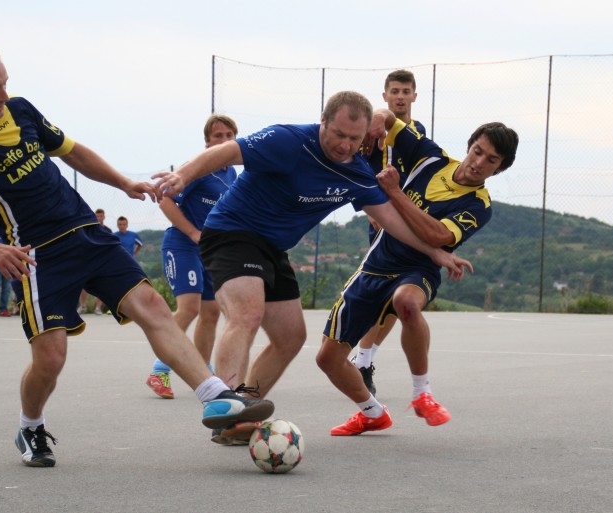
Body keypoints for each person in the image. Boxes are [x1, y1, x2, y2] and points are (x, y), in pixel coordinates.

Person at [0, 42, 273, 468]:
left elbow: (72, 151)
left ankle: (216, 398)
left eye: (5, 84)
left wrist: (124, 183)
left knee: (151, 306)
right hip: (38, 254)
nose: (3, 95)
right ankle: (30, 425)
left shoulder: (20, 109)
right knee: (51, 358)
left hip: (87, 232)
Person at [151, 91, 471, 445]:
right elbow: (228, 152)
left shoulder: (357, 172)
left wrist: (436, 253)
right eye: (339, 134)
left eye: (355, 139)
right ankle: (225, 408)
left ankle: (244, 412)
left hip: (272, 248)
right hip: (232, 231)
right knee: (247, 314)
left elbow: (390, 219)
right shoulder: (288, 140)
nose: (346, 145)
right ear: (323, 122)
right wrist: (182, 174)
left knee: (291, 338)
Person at [316, 109, 519, 436]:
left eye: (491, 160)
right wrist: (379, 119)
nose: (479, 162)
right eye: (478, 151)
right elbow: (387, 118)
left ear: (499, 169)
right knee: (327, 359)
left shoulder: (479, 206)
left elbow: (437, 236)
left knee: (407, 303)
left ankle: (422, 393)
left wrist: (395, 192)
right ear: (469, 146)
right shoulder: (431, 158)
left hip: (418, 268)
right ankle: (372, 413)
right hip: (376, 265)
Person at [146, 114, 239, 403]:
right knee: (189, 308)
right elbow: (165, 199)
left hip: (211, 251)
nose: (223, 141)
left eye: (228, 135)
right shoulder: (197, 169)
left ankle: (202, 374)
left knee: (211, 312)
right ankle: (159, 371)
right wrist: (193, 232)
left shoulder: (231, 175)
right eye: (217, 136)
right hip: (182, 245)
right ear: (207, 141)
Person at [355, 69, 427, 396]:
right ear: (384, 96)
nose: (400, 96)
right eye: (394, 91)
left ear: (414, 96)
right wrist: (372, 209)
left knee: (399, 300)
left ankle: (364, 358)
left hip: (412, 223)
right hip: (384, 222)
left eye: (406, 91)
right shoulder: (375, 128)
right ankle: (359, 357)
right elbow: (357, 167)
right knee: (380, 298)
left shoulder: (417, 132)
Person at [79, 208, 109, 315]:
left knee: (102, 285)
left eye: (101, 216)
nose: (99, 218)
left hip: (102, 261)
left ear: (104, 217)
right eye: (97, 216)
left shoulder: (108, 231)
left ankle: (98, 308)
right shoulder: (87, 229)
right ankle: (83, 306)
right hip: (88, 260)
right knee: (84, 284)